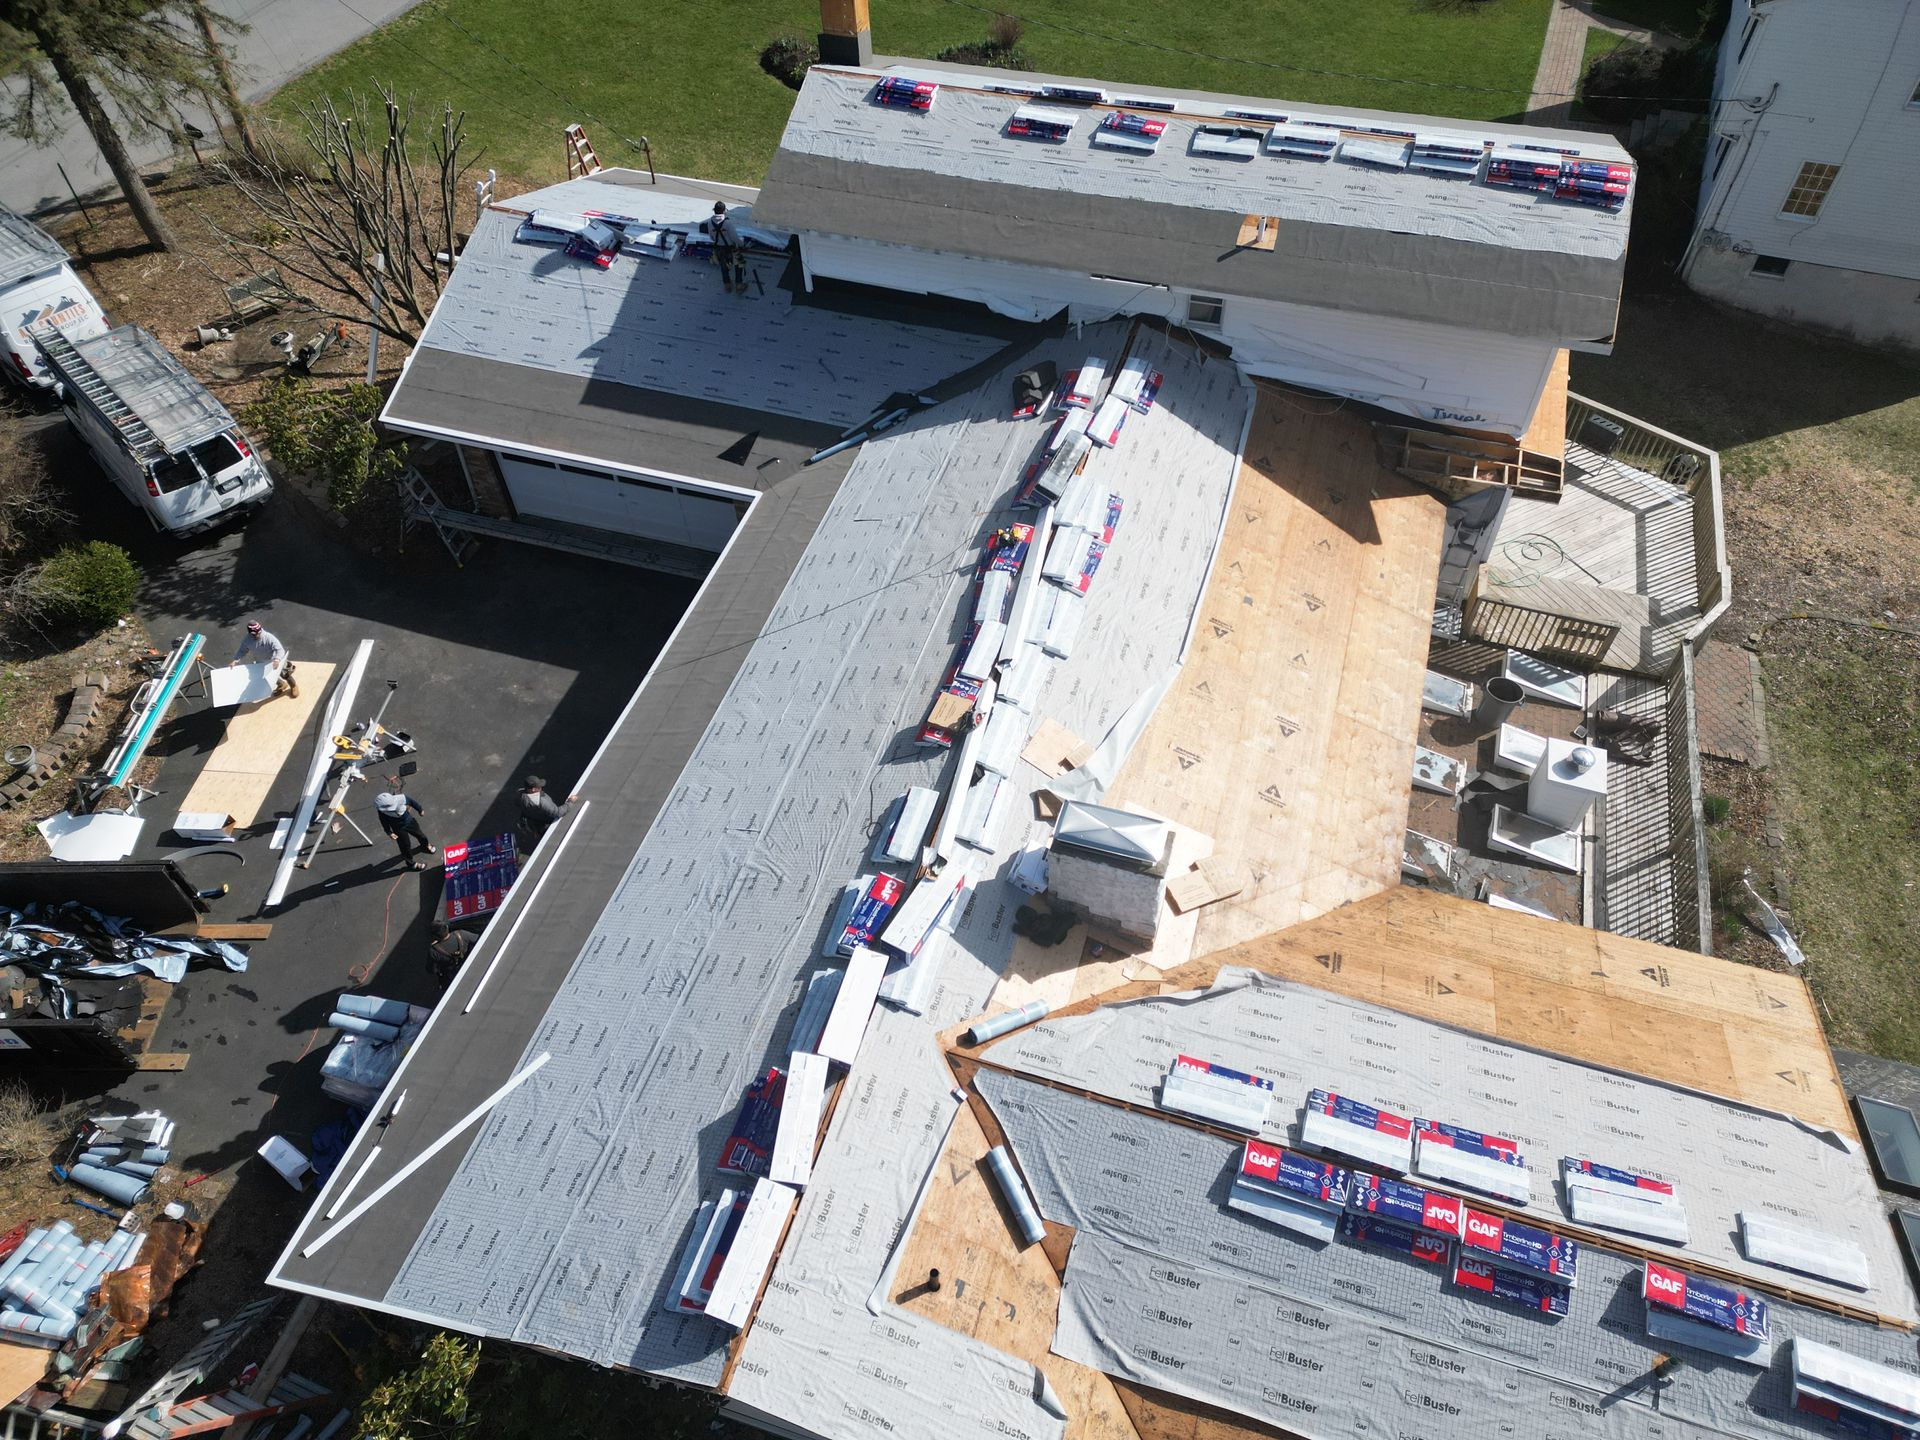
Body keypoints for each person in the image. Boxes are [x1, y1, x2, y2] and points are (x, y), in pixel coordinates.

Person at [373, 778, 437, 869]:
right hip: (398, 828)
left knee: (420, 835)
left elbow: (411, 802)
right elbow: (384, 822)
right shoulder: (382, 811)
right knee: (405, 846)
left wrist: (420, 809)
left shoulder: (401, 798)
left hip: (408, 820)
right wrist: (389, 832)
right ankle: (411, 864)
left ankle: (425, 845)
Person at [230, 621, 297, 698]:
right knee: (267, 676)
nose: (258, 635)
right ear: (250, 634)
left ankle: (293, 685)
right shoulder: (247, 641)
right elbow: (242, 650)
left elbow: (280, 649)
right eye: (255, 634)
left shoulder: (268, 637)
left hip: (275, 660)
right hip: (262, 662)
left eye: (259, 633)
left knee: (284, 674)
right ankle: (281, 684)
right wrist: (235, 660)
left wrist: (277, 659)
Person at [519, 774, 576, 847]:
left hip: (535, 824)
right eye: (538, 787)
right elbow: (557, 812)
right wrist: (570, 801)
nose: (541, 788)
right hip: (547, 825)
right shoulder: (541, 801)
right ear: (533, 790)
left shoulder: (521, 794)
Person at [705, 201, 746, 296]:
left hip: (718, 248)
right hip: (730, 248)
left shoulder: (710, 222)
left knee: (724, 266)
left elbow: (711, 237)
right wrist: (742, 244)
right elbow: (734, 237)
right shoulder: (727, 223)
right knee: (739, 264)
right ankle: (739, 285)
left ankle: (727, 284)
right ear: (724, 211)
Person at [427, 921, 474, 988]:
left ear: (434, 936)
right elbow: (478, 939)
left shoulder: (434, 951)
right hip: (470, 964)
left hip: (454, 975)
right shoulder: (461, 934)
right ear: (447, 928)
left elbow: (431, 969)